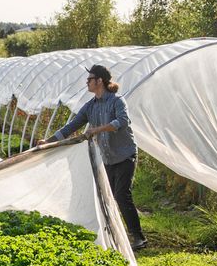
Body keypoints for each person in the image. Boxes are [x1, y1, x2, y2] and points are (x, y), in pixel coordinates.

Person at [41, 64, 147, 250]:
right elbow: (71, 127)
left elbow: (121, 122)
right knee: (107, 197)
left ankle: (139, 238)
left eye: (89, 79)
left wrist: (98, 129)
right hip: (107, 158)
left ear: (100, 81)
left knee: (121, 195)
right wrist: (48, 142)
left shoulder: (117, 101)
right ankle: (113, 234)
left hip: (124, 154)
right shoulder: (90, 107)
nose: (87, 83)